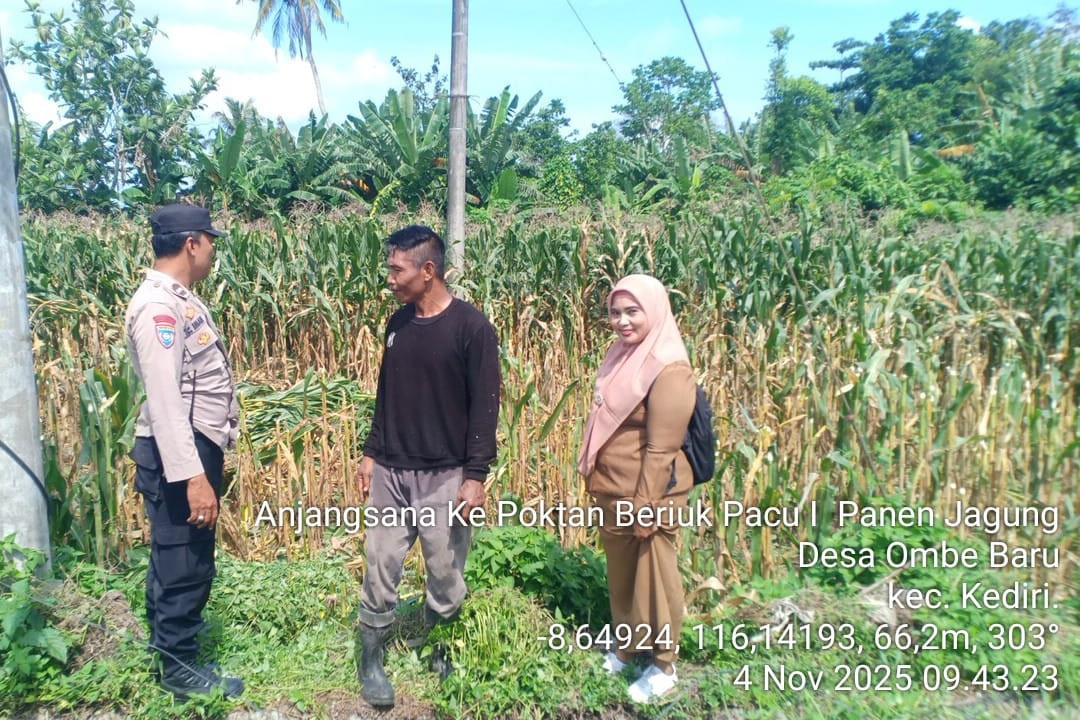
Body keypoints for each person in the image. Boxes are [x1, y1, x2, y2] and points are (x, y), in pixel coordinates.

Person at [355, 225, 500, 708]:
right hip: (392, 472)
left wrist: (475, 477)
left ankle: (442, 648)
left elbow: (485, 408)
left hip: (445, 475)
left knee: (445, 569)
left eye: (397, 270)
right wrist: (371, 451)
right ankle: (370, 659)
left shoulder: (472, 329)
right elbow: (386, 394)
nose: (390, 279)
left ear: (428, 271)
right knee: (380, 562)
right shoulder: (397, 325)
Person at [125, 203, 243, 700]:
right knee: (185, 560)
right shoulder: (159, 307)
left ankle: (169, 655)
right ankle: (180, 670)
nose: (213, 251)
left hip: (190, 445)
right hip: (180, 450)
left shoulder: (176, 299)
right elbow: (166, 400)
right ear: (191, 243)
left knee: (178, 553)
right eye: (210, 241)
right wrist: (193, 476)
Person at [578, 274, 696, 704]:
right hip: (615, 488)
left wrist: (646, 504)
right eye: (615, 312)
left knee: (655, 574)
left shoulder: (669, 367)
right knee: (623, 573)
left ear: (656, 311)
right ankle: (626, 648)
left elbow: (662, 447)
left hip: (651, 492)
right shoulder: (622, 354)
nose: (622, 321)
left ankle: (664, 665)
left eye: (633, 312)